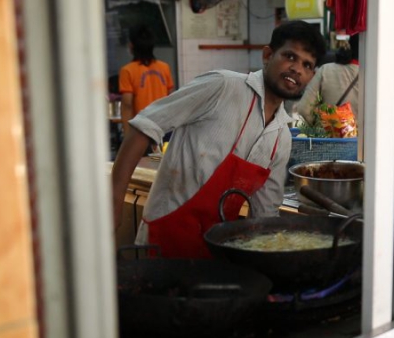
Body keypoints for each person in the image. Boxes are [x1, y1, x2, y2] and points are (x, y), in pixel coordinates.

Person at [112, 21, 326, 258]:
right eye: (290, 56)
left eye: (307, 65)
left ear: (311, 76)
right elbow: (144, 127)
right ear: (268, 55)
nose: (297, 68)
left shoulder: (281, 137)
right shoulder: (222, 86)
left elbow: (264, 216)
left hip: (214, 256)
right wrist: (114, 200)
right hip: (162, 243)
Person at [119, 24, 174, 140]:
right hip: (164, 128)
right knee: (159, 158)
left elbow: (127, 105)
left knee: (145, 159)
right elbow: (171, 97)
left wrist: (127, 135)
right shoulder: (164, 68)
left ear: (131, 45)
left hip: (141, 130)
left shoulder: (127, 70)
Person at [295, 34, 360, 124]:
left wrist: (326, 126)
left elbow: (304, 109)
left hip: (330, 137)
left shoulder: (325, 70)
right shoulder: (379, 78)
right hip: (367, 137)